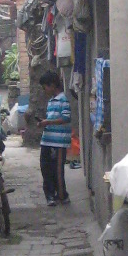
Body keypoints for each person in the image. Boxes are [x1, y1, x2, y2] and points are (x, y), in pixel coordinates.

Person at [36, 67, 71, 205]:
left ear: (52, 85)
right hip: (47, 140)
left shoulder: (63, 100)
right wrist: (44, 123)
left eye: (45, 87)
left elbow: (66, 118)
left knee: (57, 170)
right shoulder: (51, 101)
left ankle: (61, 195)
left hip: (59, 143)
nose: (44, 90)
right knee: (46, 168)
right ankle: (50, 195)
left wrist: (48, 122)